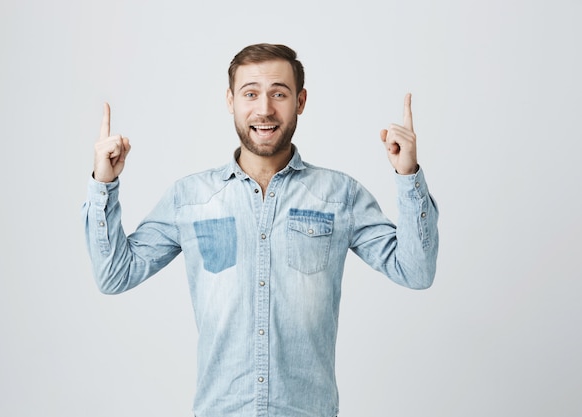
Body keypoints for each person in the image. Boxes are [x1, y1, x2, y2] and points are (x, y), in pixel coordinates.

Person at [83, 43, 439, 417]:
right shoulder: (190, 197)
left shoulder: (339, 195)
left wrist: (407, 175)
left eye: (279, 94)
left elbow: (415, 271)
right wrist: (103, 184)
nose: (265, 109)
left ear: (300, 101)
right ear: (231, 101)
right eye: (250, 93)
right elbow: (114, 275)